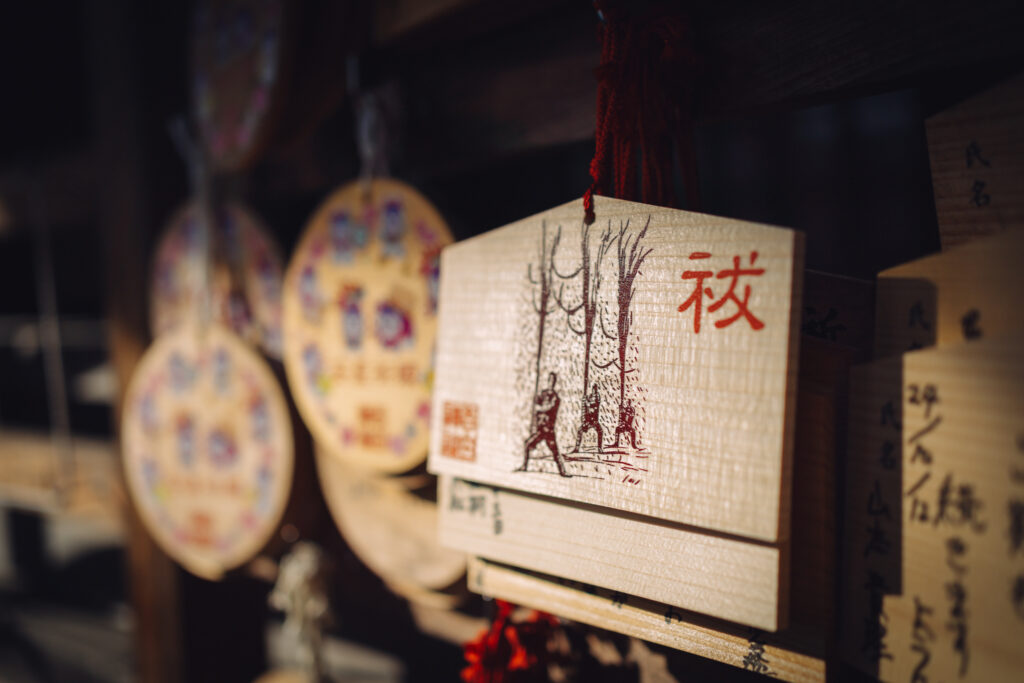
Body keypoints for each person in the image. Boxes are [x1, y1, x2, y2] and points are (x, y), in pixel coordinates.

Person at [517, 372, 570, 477]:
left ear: (554, 382)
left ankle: (563, 471)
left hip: (548, 429)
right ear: (548, 381)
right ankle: (524, 466)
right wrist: (539, 407)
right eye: (549, 380)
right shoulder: (543, 394)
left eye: (553, 380)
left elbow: (547, 408)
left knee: (555, 452)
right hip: (541, 429)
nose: (551, 382)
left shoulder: (555, 397)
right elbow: (536, 407)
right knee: (527, 444)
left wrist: (540, 408)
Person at [572, 384, 603, 453]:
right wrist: (584, 401)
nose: (594, 391)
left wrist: (586, 402)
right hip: (588, 420)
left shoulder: (597, 397)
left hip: (594, 420)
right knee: (580, 431)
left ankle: (600, 449)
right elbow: (586, 407)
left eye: (595, 389)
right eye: (593, 389)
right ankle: (577, 448)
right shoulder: (589, 396)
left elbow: (593, 405)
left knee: (600, 431)